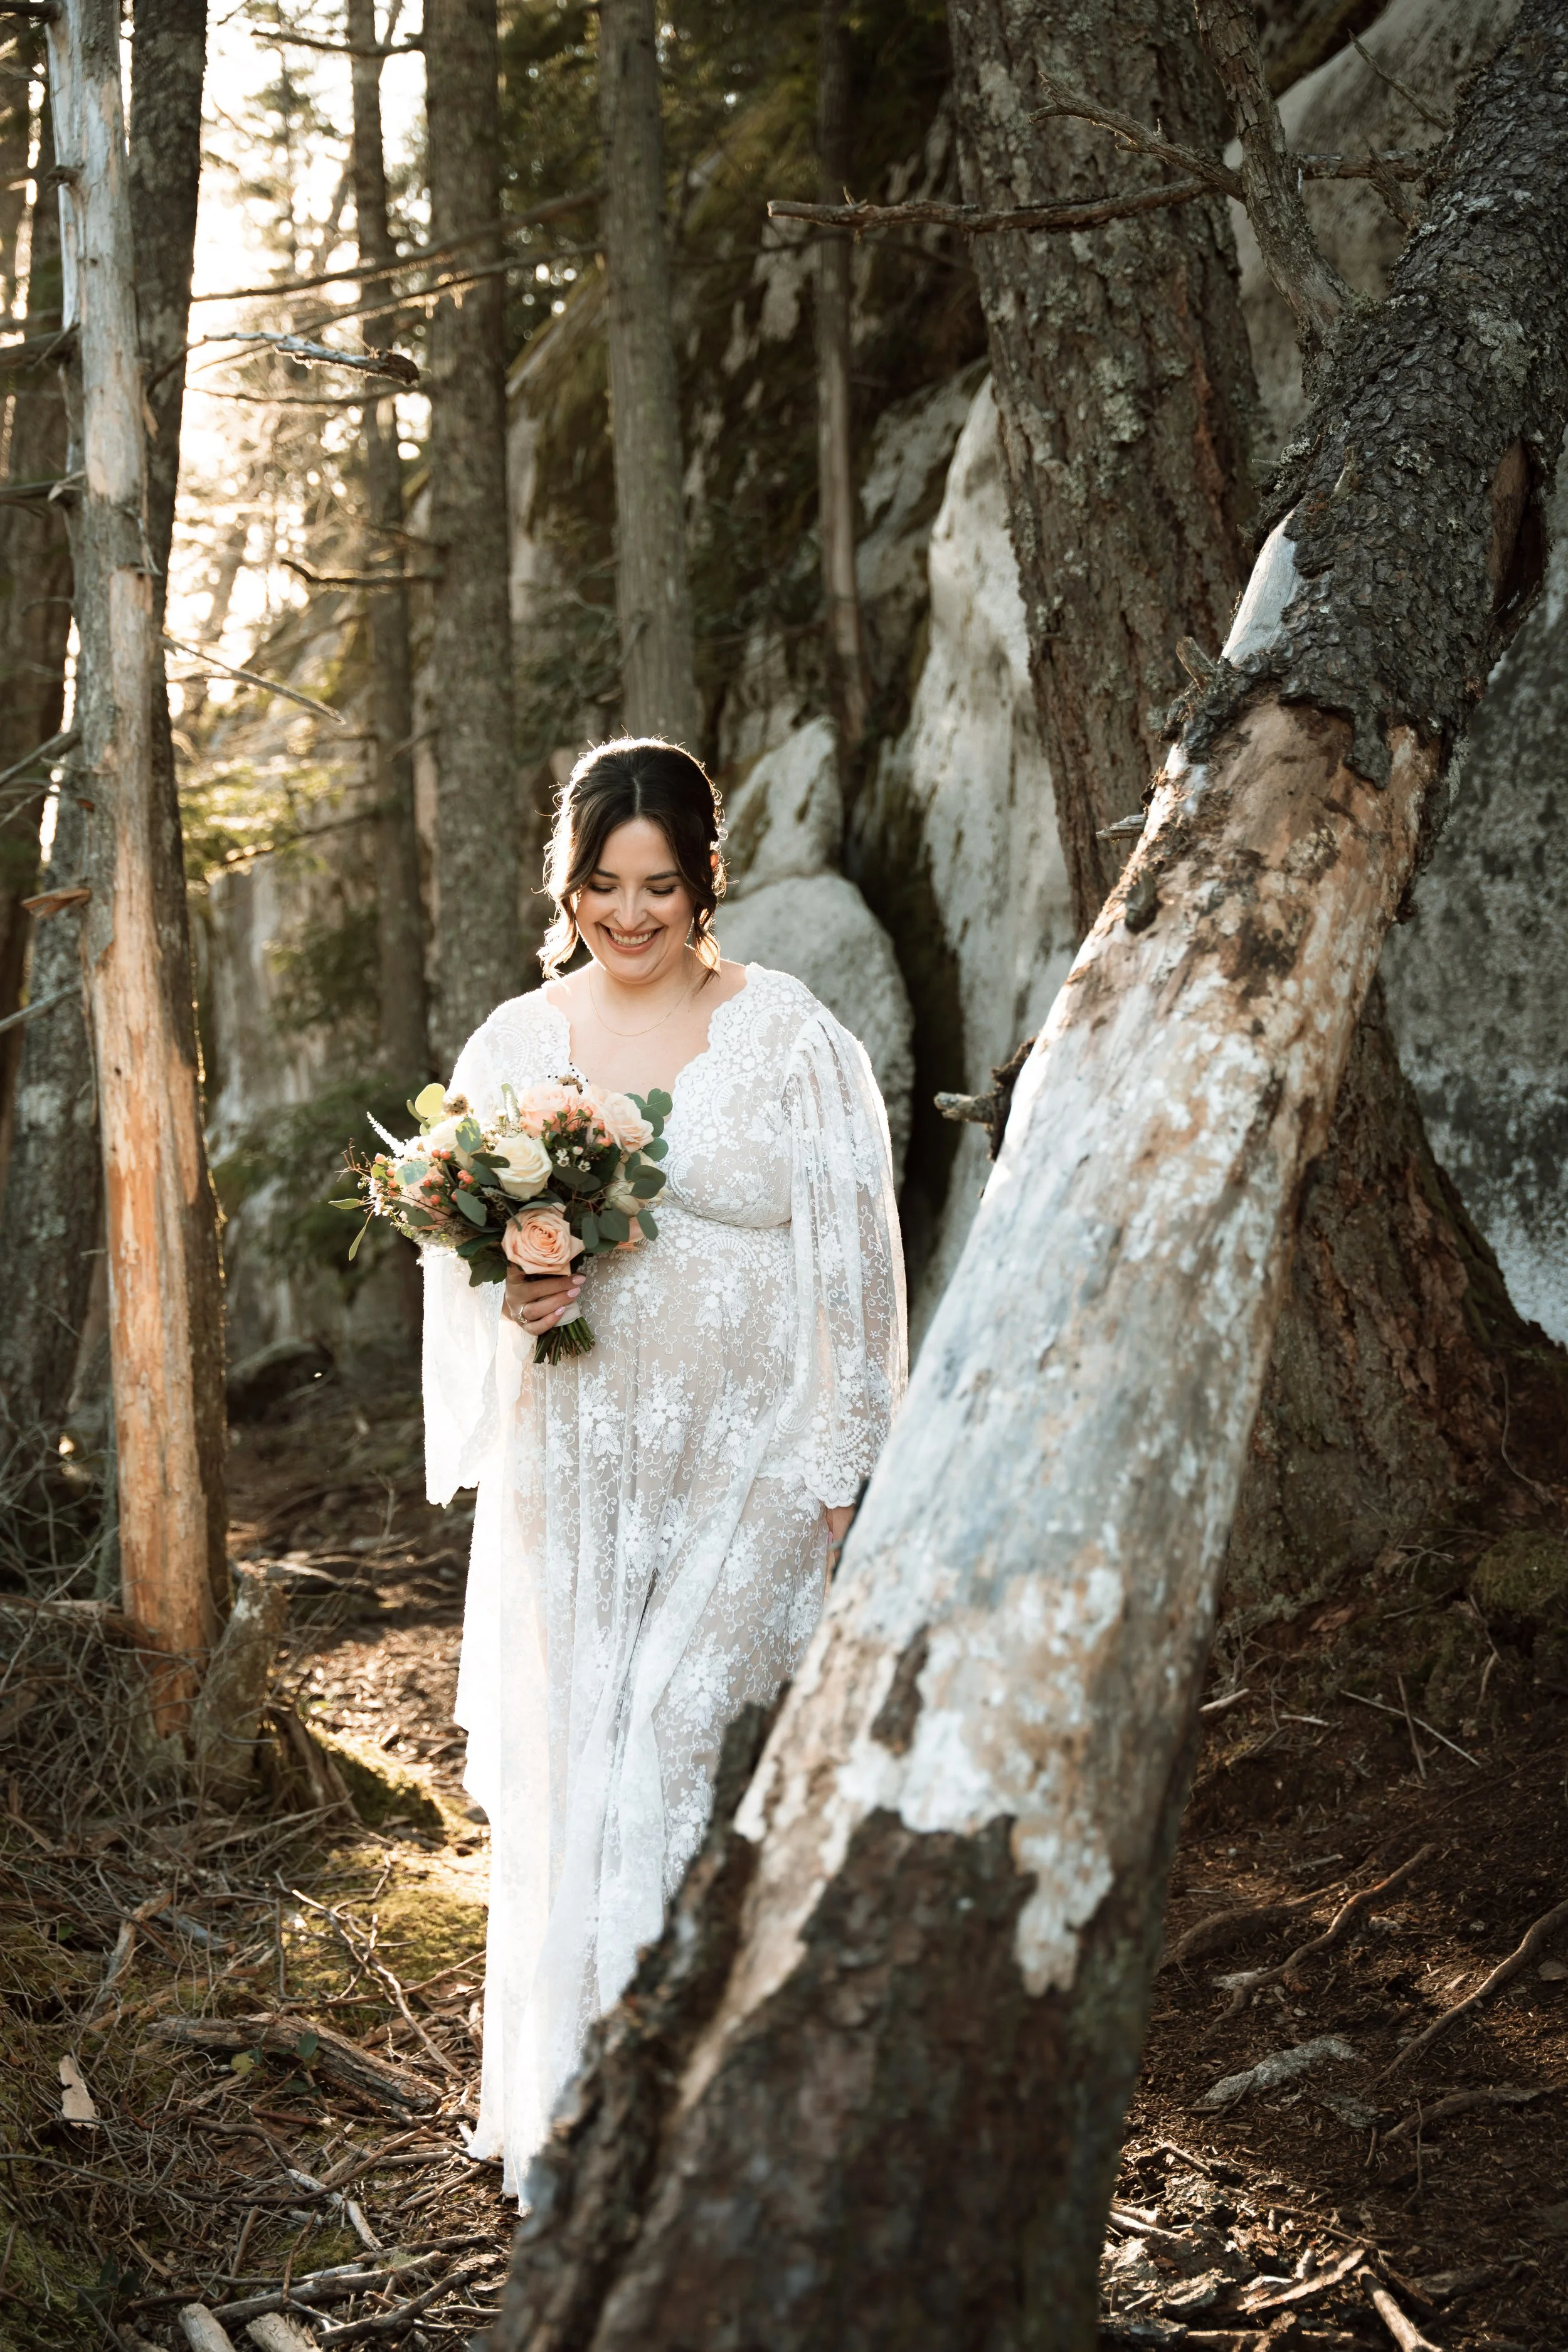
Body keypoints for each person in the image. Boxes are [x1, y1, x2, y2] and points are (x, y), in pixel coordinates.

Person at [421, 736, 907, 2193]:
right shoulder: (513, 1049)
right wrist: (517, 1288)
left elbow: (858, 1271)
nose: (626, 917)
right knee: (586, 1776)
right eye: (598, 886)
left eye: (657, 886)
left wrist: (843, 1470)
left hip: (756, 1467)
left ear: (707, 882)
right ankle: (587, 2127)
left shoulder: (793, 1034)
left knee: (683, 1750)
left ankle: (712, 2125)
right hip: (580, 1470)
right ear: (564, 885)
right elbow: (458, 1283)